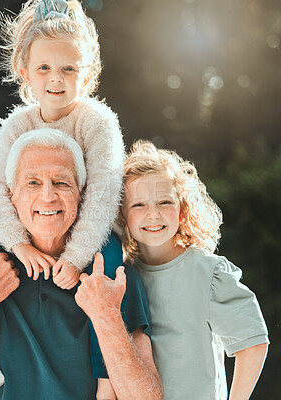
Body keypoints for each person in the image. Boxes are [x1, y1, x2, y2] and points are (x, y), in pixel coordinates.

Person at [0, 0, 126, 397]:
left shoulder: (97, 122)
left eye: (68, 68)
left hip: (88, 237)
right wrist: (17, 245)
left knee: (108, 268)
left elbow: (102, 195)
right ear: (24, 72)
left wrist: (76, 257)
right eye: (44, 68)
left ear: (87, 75)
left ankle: (105, 380)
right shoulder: (18, 123)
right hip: (29, 234)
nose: (56, 79)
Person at [0, 130, 162, 400]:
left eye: (61, 183)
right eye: (32, 183)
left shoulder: (115, 279)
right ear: (10, 194)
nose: (48, 196)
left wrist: (106, 315)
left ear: (82, 194)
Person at [120, 140, 269, 400]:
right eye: (139, 205)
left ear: (182, 209)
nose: (153, 215)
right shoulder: (121, 275)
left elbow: (253, 343)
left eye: (164, 202)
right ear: (122, 215)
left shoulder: (208, 273)